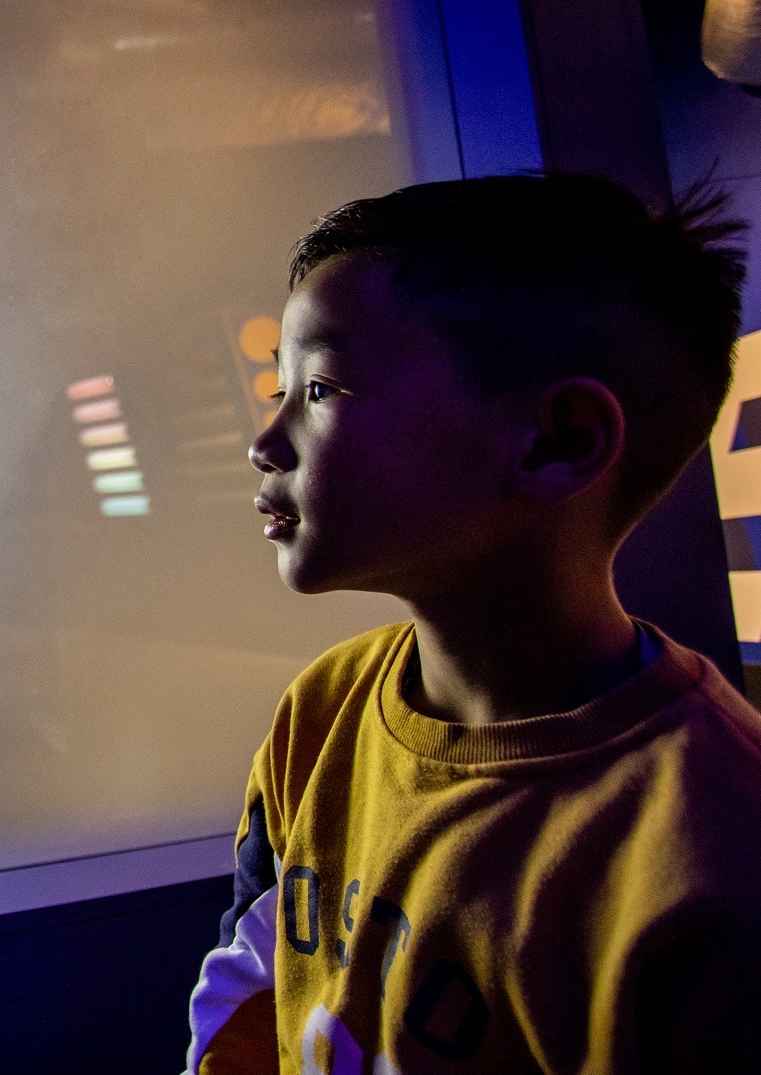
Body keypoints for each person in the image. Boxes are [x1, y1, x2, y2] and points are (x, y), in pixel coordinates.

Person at [183, 173, 761, 1072]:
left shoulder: (716, 846)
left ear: (557, 439)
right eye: (280, 388)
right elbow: (248, 988)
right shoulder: (323, 710)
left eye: (321, 389)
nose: (266, 443)